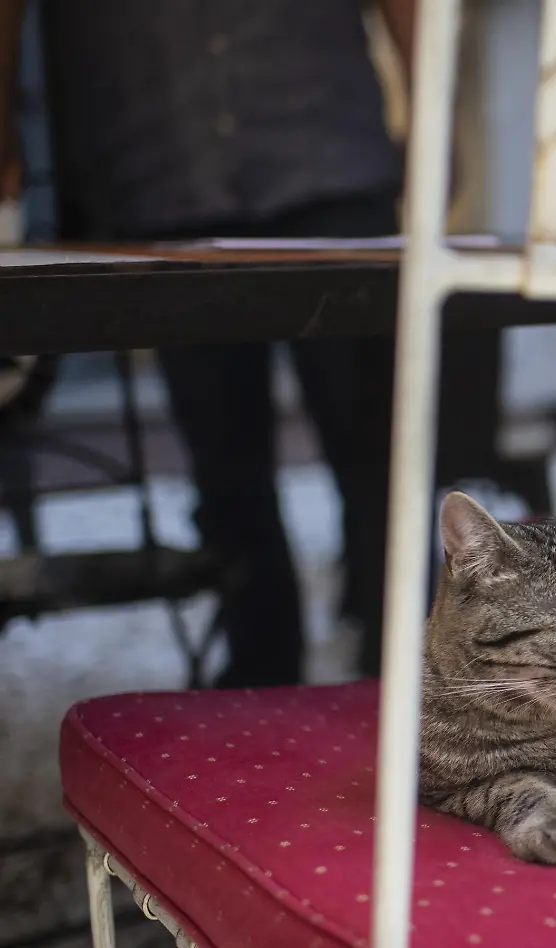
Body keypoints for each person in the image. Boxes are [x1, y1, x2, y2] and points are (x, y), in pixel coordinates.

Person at [0, 0, 421, 687]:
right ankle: (261, 670)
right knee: (224, 464)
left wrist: (432, 110)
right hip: (156, 165)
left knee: (379, 449)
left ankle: (402, 668)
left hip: (325, 150)